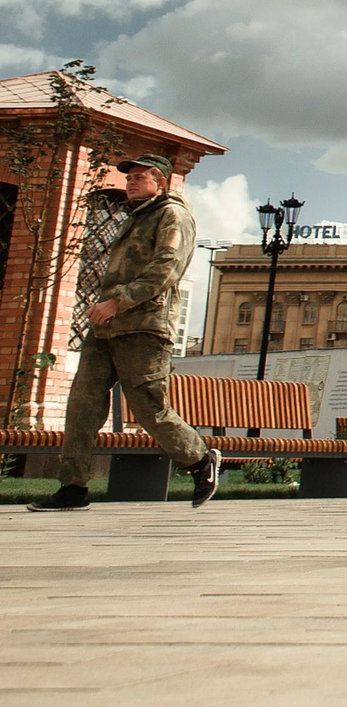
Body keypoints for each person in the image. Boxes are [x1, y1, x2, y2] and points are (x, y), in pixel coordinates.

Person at [27, 153, 221, 512]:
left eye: (139, 177)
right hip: (106, 329)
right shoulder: (135, 216)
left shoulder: (172, 215)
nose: (130, 182)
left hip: (145, 328)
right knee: (82, 406)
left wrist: (118, 301)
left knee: (149, 408)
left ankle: (199, 460)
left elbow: (168, 267)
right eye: (129, 177)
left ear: (161, 182)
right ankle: (73, 487)